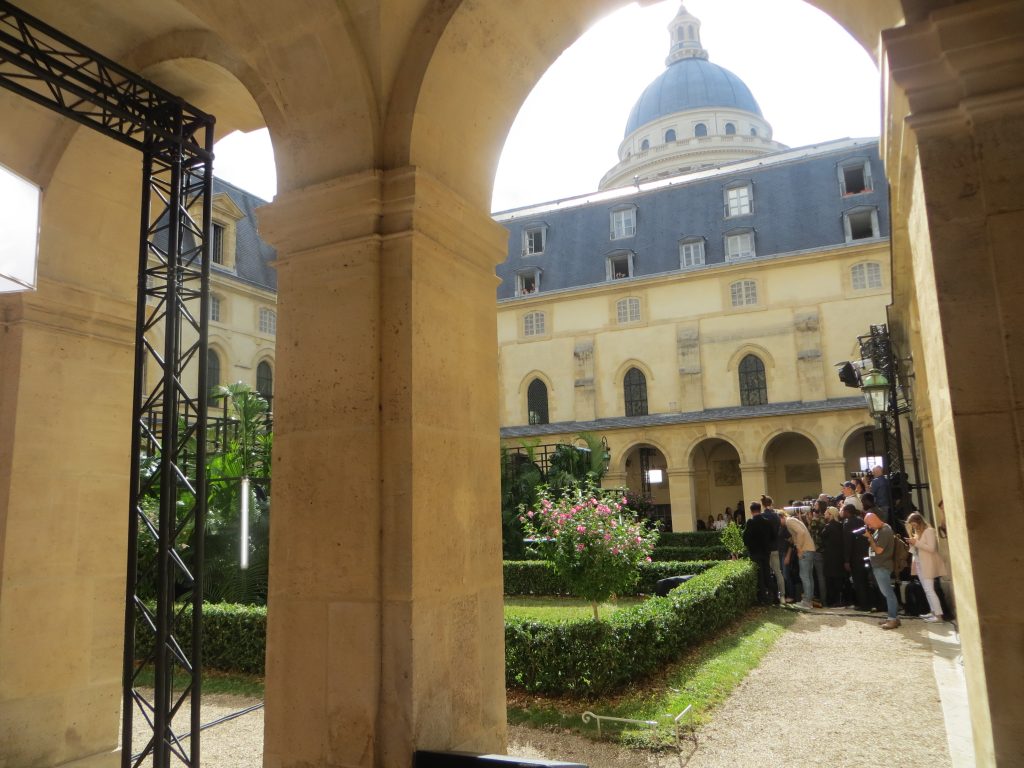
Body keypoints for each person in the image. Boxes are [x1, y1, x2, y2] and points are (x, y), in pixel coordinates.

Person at [906, 512, 947, 622]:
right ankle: (933, 612)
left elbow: (932, 548)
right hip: (920, 564)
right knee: (926, 590)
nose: (914, 527)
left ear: (919, 522)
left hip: (928, 564)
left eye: (914, 525)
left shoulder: (929, 531)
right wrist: (912, 543)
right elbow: (916, 549)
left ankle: (939, 616)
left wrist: (916, 543)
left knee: (929, 590)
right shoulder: (919, 532)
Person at [863, 511, 900, 629]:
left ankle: (892, 619)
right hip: (880, 565)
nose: (869, 527)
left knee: (888, 593)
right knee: (887, 593)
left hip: (882, 566)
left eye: (869, 524)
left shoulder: (885, 531)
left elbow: (879, 550)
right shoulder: (881, 529)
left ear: (874, 520)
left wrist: (870, 538)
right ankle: (893, 617)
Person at [781, 510, 816, 609]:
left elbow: (801, 532)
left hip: (805, 550)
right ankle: (809, 600)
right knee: (809, 576)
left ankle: (807, 602)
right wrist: (793, 540)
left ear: (781, 517)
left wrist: (799, 548)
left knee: (804, 576)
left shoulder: (789, 521)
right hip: (810, 549)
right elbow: (799, 533)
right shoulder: (793, 520)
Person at [743, 501, 775, 605]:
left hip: (755, 552)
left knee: (759, 575)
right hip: (766, 552)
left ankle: (762, 598)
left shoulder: (750, 522)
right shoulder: (767, 521)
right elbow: (773, 535)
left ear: (751, 511)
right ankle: (772, 596)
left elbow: (745, 538)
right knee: (767, 573)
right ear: (760, 510)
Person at [842, 503, 871, 610]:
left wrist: (846, 560)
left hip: (854, 556)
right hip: (864, 554)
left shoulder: (847, 523)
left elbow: (847, 543)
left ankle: (863, 605)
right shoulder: (860, 520)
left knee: (858, 582)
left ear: (847, 512)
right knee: (865, 580)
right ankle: (868, 603)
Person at [760, 496, 785, 604]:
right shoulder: (776, 516)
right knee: (778, 572)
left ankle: (771, 595)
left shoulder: (762, 516)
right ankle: (782, 595)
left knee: (767, 573)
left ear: (763, 504)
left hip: (765, 549)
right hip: (775, 547)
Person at [821, 506, 846, 607]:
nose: (824, 515)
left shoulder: (828, 527)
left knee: (830, 580)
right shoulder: (841, 525)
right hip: (840, 556)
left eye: (826, 513)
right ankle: (839, 599)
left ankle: (831, 601)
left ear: (830, 514)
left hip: (830, 556)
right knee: (839, 579)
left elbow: (821, 537)